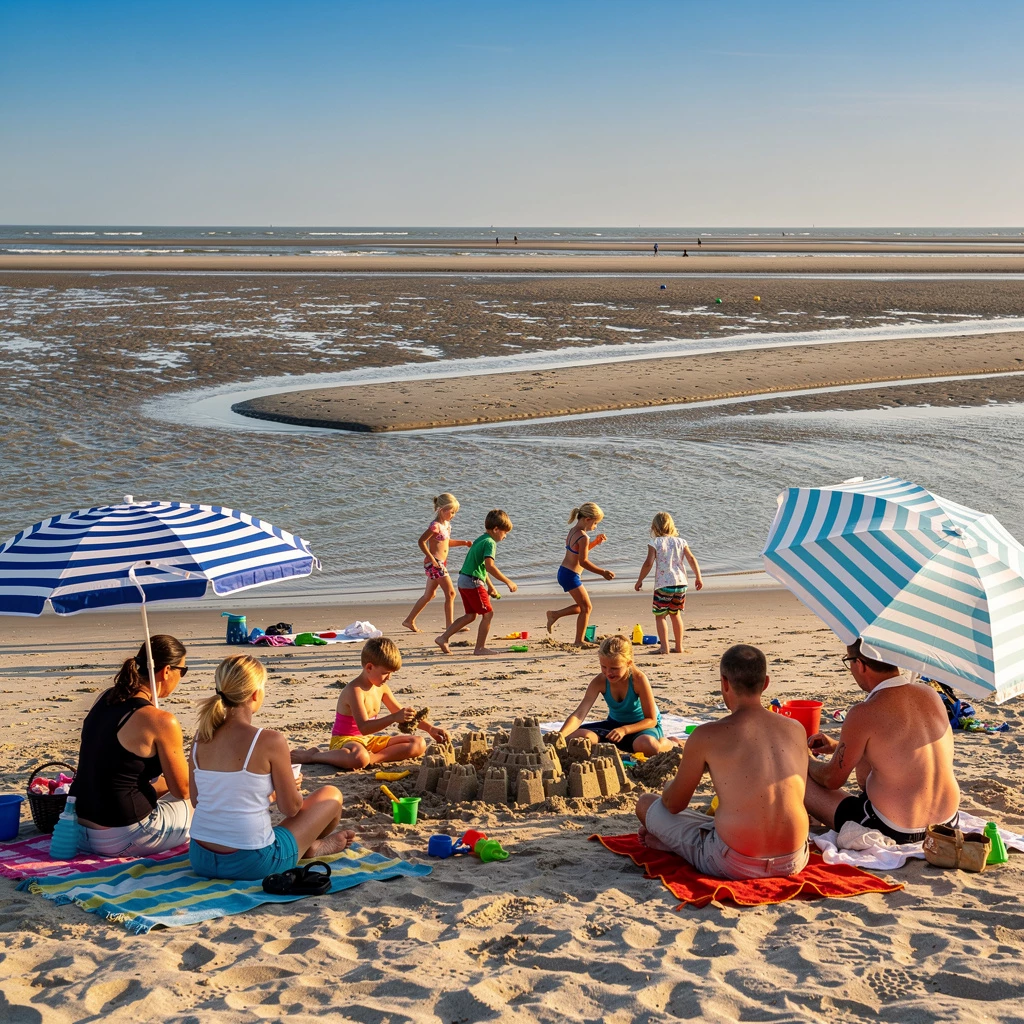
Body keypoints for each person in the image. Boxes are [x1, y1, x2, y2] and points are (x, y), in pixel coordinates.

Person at [636, 644, 810, 879]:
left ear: (724, 683)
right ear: (766, 683)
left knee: (647, 803)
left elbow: (674, 804)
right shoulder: (796, 729)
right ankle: (688, 844)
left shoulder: (707, 735)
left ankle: (683, 847)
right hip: (794, 859)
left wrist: (668, 786)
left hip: (734, 863)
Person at [189, 654, 353, 880]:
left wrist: (269, 792)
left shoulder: (201, 737)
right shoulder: (268, 740)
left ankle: (308, 847)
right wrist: (289, 788)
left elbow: (198, 800)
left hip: (201, 858)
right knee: (331, 795)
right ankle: (310, 847)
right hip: (252, 862)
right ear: (256, 694)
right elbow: (291, 809)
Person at [803, 640, 960, 843]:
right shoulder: (930, 695)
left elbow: (832, 779)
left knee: (800, 782)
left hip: (896, 828)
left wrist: (805, 758)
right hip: (947, 822)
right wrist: (837, 746)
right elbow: (903, 746)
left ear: (860, 664)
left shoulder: (864, 712)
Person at [69, 635, 192, 856]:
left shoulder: (106, 697)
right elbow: (182, 790)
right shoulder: (160, 720)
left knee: (158, 787)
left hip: (79, 830)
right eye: (182, 671)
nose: (181, 677)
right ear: (166, 671)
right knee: (200, 804)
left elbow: (119, 777)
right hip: (124, 836)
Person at [292, 638, 448, 770]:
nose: (389, 678)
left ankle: (373, 759)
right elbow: (364, 728)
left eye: (391, 673)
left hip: (368, 742)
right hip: (345, 742)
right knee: (358, 757)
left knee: (418, 743)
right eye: (385, 673)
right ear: (369, 667)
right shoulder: (355, 690)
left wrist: (430, 728)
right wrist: (394, 717)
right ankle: (314, 755)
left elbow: (401, 712)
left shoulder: (382, 688)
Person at [557, 635, 674, 755]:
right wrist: (560, 736)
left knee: (648, 746)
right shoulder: (600, 681)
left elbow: (651, 720)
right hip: (614, 727)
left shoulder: (639, 680)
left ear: (628, 663)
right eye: (603, 667)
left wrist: (625, 730)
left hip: (641, 728)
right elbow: (579, 714)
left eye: (614, 668)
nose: (608, 673)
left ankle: (673, 743)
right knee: (575, 738)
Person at [435, 509, 517, 655]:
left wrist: (491, 587)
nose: (505, 537)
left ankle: (443, 638)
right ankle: (479, 648)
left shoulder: (481, 539)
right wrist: (508, 581)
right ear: (496, 529)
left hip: (464, 580)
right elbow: (489, 566)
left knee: (470, 615)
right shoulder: (490, 543)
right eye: (505, 533)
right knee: (488, 614)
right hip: (473, 582)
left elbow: (481, 567)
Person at [545, 502, 614, 647]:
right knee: (586, 608)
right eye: (595, 523)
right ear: (587, 519)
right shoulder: (583, 537)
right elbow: (583, 561)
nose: (595, 527)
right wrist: (602, 572)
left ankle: (555, 614)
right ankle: (578, 641)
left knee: (583, 606)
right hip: (570, 575)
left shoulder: (573, 531)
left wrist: (595, 542)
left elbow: (578, 551)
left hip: (564, 572)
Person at [634, 512, 703, 655]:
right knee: (675, 614)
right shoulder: (681, 542)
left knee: (660, 616)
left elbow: (648, 563)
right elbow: (691, 559)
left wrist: (640, 580)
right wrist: (698, 577)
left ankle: (664, 647)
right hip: (680, 583)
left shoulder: (655, 543)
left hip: (663, 585)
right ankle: (679, 647)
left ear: (654, 527)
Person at [401, 493, 472, 633]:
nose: (453, 515)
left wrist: (463, 543)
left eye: (455, 512)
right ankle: (450, 626)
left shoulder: (446, 525)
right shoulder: (435, 526)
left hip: (440, 564)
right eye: (451, 512)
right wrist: (432, 559)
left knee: (429, 595)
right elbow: (421, 541)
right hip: (435, 564)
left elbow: (445, 543)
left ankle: (409, 620)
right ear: (441, 510)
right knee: (451, 593)